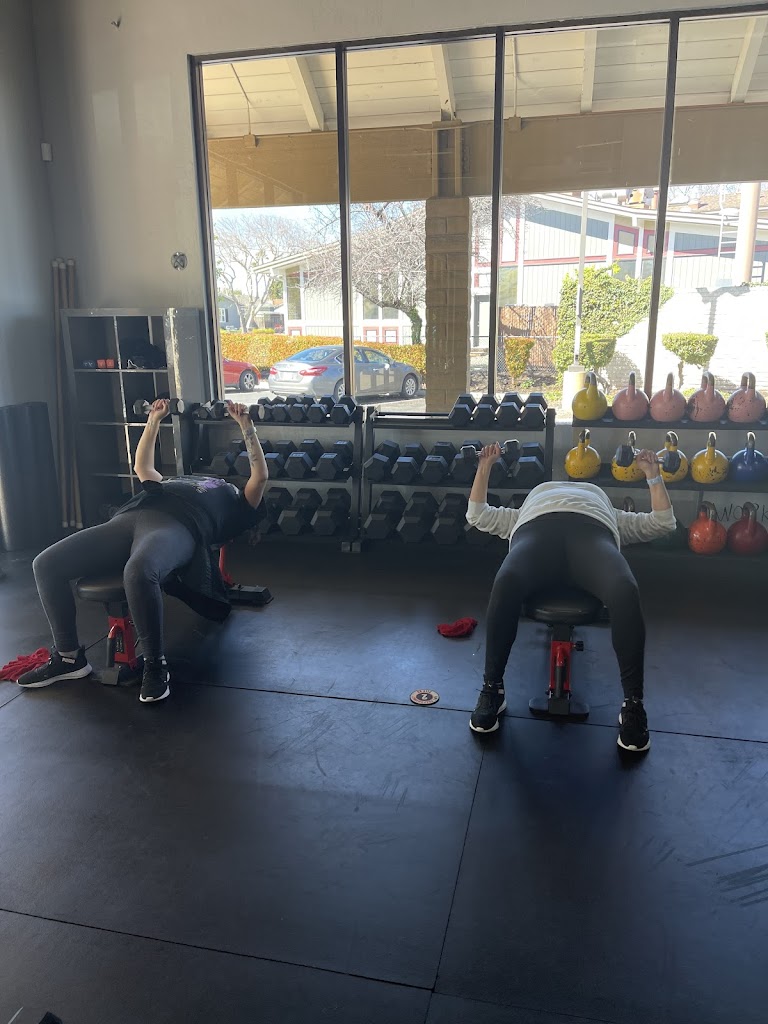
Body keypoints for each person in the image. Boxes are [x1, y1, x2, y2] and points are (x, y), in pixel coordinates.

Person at [19, 400, 268, 703]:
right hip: (128, 517)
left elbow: (260, 476)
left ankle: (155, 665)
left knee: (139, 572)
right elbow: (142, 467)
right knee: (45, 564)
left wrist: (246, 426)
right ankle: (69, 658)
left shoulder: (237, 503)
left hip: (177, 526)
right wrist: (154, 419)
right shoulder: (173, 482)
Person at [466, 443, 676, 751]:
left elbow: (663, 522)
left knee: (625, 589)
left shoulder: (609, 511)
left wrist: (653, 475)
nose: (567, 488)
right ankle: (492, 689)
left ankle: (633, 704)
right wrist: (485, 466)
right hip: (535, 529)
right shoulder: (524, 511)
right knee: (506, 581)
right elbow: (477, 513)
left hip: (593, 530)